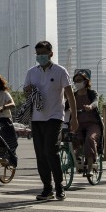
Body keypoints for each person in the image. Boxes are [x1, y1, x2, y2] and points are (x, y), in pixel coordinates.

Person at [23, 41, 79, 200]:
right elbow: (26, 93)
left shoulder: (61, 71)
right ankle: (47, 188)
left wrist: (74, 117)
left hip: (55, 116)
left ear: (50, 54)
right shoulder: (31, 72)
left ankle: (59, 185)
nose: (40, 56)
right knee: (40, 154)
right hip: (36, 118)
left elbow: (70, 95)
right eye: (37, 54)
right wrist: (27, 91)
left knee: (50, 149)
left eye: (43, 53)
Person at [70, 70, 102, 177]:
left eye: (80, 80)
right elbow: (64, 106)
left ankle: (90, 168)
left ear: (85, 81)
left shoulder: (92, 93)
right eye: (75, 81)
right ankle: (77, 157)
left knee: (90, 139)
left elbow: (95, 102)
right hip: (78, 124)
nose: (77, 83)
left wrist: (90, 106)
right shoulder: (73, 95)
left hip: (93, 124)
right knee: (72, 138)